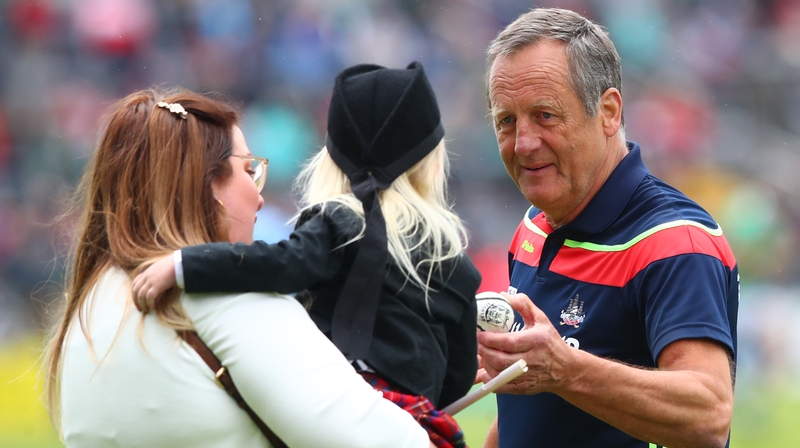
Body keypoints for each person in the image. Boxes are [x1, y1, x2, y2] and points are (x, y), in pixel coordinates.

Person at [42, 87, 437, 447]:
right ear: (204, 184)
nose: (259, 198)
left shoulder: (87, 313)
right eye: (249, 170)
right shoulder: (227, 297)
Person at [132, 62, 481, 447]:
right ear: (432, 161)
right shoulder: (456, 260)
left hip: (344, 409)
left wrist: (184, 264)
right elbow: (458, 375)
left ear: (332, 156)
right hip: (416, 423)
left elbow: (280, 266)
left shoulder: (339, 222)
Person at [476, 8, 738, 448]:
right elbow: (531, 415)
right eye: (506, 121)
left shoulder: (674, 239)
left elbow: (708, 414)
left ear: (609, 111)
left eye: (545, 116)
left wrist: (564, 369)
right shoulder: (533, 228)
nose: (523, 143)